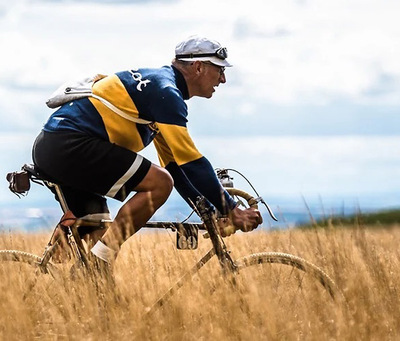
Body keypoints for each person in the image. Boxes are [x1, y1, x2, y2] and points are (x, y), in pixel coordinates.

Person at [32, 35, 262, 267]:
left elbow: (176, 167)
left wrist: (212, 211)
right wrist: (232, 209)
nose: (223, 79)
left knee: (97, 252)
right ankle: (100, 261)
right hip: (69, 145)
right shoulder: (166, 93)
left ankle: (87, 285)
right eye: (220, 70)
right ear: (199, 67)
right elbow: (192, 162)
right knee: (159, 183)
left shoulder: (159, 89)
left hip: (58, 148)